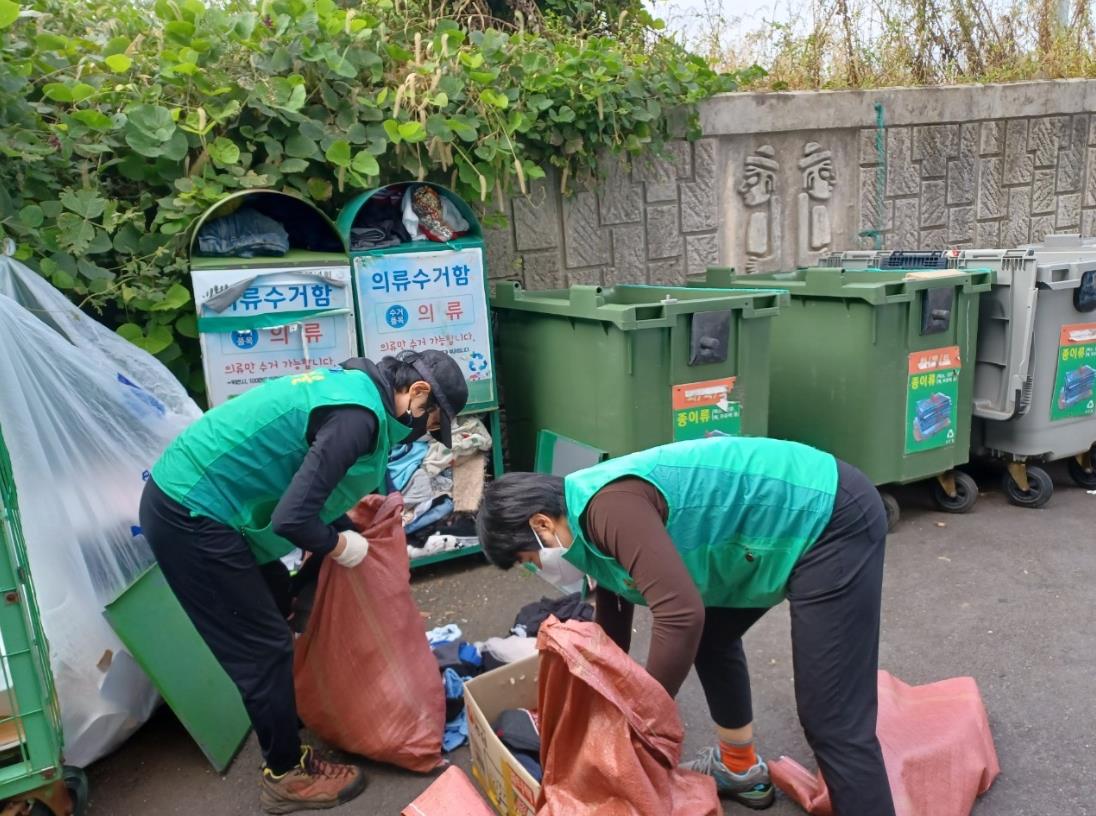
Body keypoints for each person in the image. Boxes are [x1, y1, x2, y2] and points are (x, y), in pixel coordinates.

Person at [476, 435, 895, 815]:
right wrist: (598, 705)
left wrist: (641, 723)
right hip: (766, 531)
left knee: (833, 719)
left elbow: (679, 614)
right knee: (710, 638)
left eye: (528, 562)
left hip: (829, 515)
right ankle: (740, 767)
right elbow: (614, 621)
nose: (537, 571)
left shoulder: (609, 508)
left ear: (541, 525)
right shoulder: (583, 517)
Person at [140, 350, 467, 814]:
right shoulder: (358, 418)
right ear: (417, 392)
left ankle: (283, 717)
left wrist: (346, 531)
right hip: (190, 512)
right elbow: (292, 518)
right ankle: (284, 776)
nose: (424, 428)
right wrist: (340, 545)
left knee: (276, 598)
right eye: (430, 417)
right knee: (264, 644)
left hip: (204, 499)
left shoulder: (355, 391)